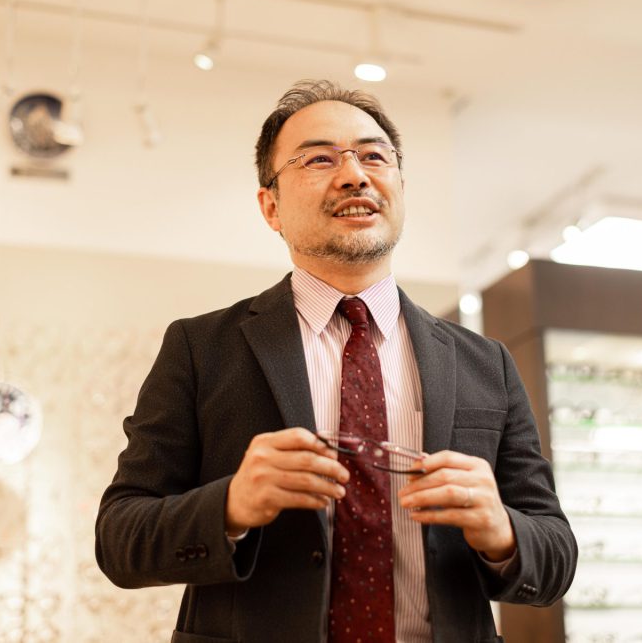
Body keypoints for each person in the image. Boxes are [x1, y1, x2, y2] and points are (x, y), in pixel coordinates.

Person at [96, 80, 577, 642]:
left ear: (399, 188)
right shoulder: (200, 348)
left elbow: (555, 556)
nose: (355, 175)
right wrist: (230, 504)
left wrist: (502, 530)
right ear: (271, 207)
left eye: (374, 156)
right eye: (320, 159)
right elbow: (119, 539)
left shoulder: (486, 363)